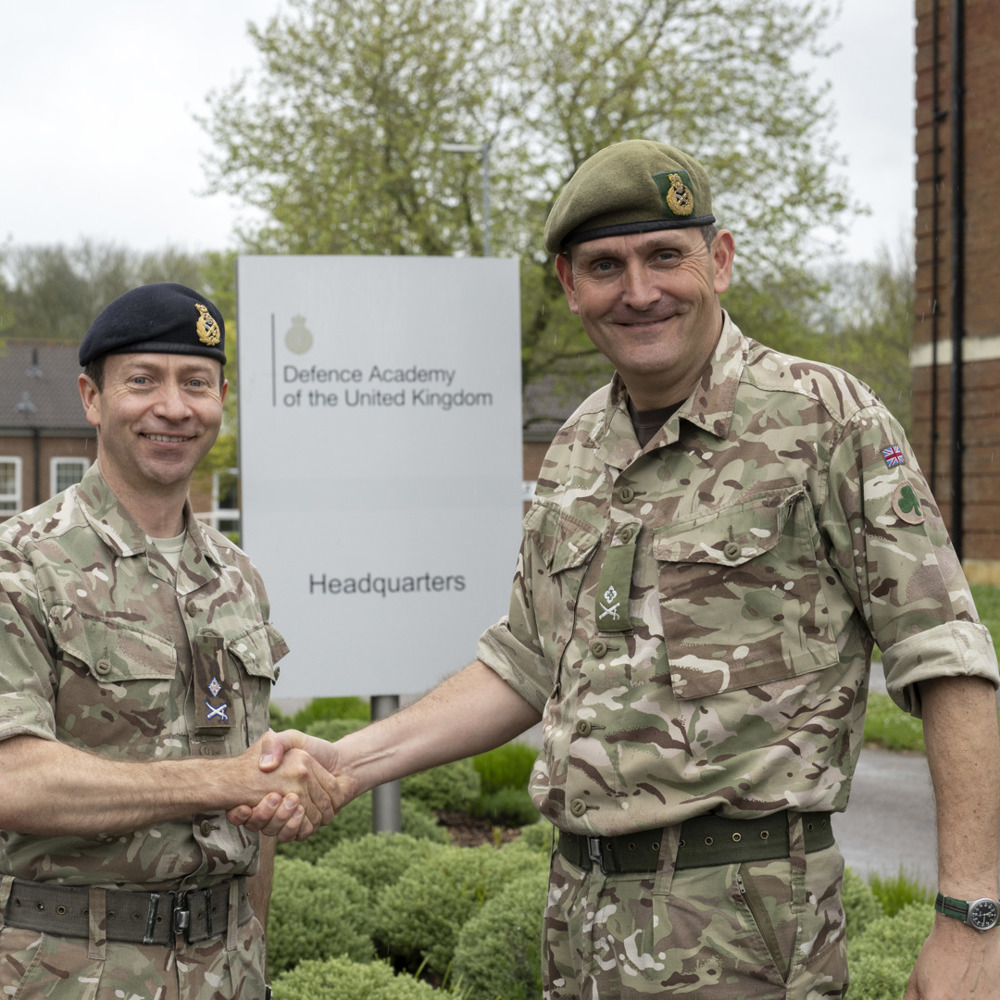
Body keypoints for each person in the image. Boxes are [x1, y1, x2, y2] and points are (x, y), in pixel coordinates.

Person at [236, 141, 1000, 999]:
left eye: (665, 255)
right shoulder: (576, 447)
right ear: (569, 286)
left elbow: (946, 654)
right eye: (605, 266)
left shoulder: (825, 420)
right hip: (579, 917)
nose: (639, 291)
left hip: (746, 926)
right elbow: (524, 665)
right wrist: (345, 762)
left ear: (720, 260)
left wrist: (971, 914)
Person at [0, 283, 338, 1000]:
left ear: (221, 400)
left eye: (197, 383)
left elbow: (256, 808)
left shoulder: (235, 577)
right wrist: (229, 778)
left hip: (228, 971)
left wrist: (255, 954)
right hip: (66, 973)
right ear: (92, 398)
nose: (175, 408)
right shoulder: (20, 566)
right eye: (143, 381)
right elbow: (12, 779)